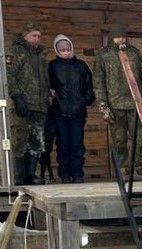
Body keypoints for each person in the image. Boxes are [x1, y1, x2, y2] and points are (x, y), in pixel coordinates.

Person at [93, 23, 142, 178]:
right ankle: (123, 170)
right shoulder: (103, 56)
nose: (121, 40)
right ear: (112, 38)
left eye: (123, 37)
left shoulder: (134, 53)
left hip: (136, 105)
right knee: (119, 142)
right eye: (117, 37)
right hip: (115, 105)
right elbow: (98, 82)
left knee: (141, 140)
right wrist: (103, 106)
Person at [6, 21, 50, 186]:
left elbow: (45, 79)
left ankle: (31, 175)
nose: (37, 39)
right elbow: (9, 75)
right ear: (25, 36)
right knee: (20, 139)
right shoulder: (16, 52)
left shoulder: (41, 55)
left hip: (40, 105)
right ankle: (19, 176)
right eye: (33, 35)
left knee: (37, 141)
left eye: (39, 36)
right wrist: (17, 97)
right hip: (23, 104)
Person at [47, 34, 94, 183]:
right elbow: (47, 84)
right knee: (62, 144)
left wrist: (84, 101)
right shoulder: (52, 66)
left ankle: (78, 173)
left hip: (78, 112)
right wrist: (50, 92)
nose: (66, 52)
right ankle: (65, 175)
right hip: (59, 111)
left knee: (77, 144)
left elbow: (89, 87)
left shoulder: (81, 66)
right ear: (57, 51)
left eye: (68, 49)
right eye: (62, 50)